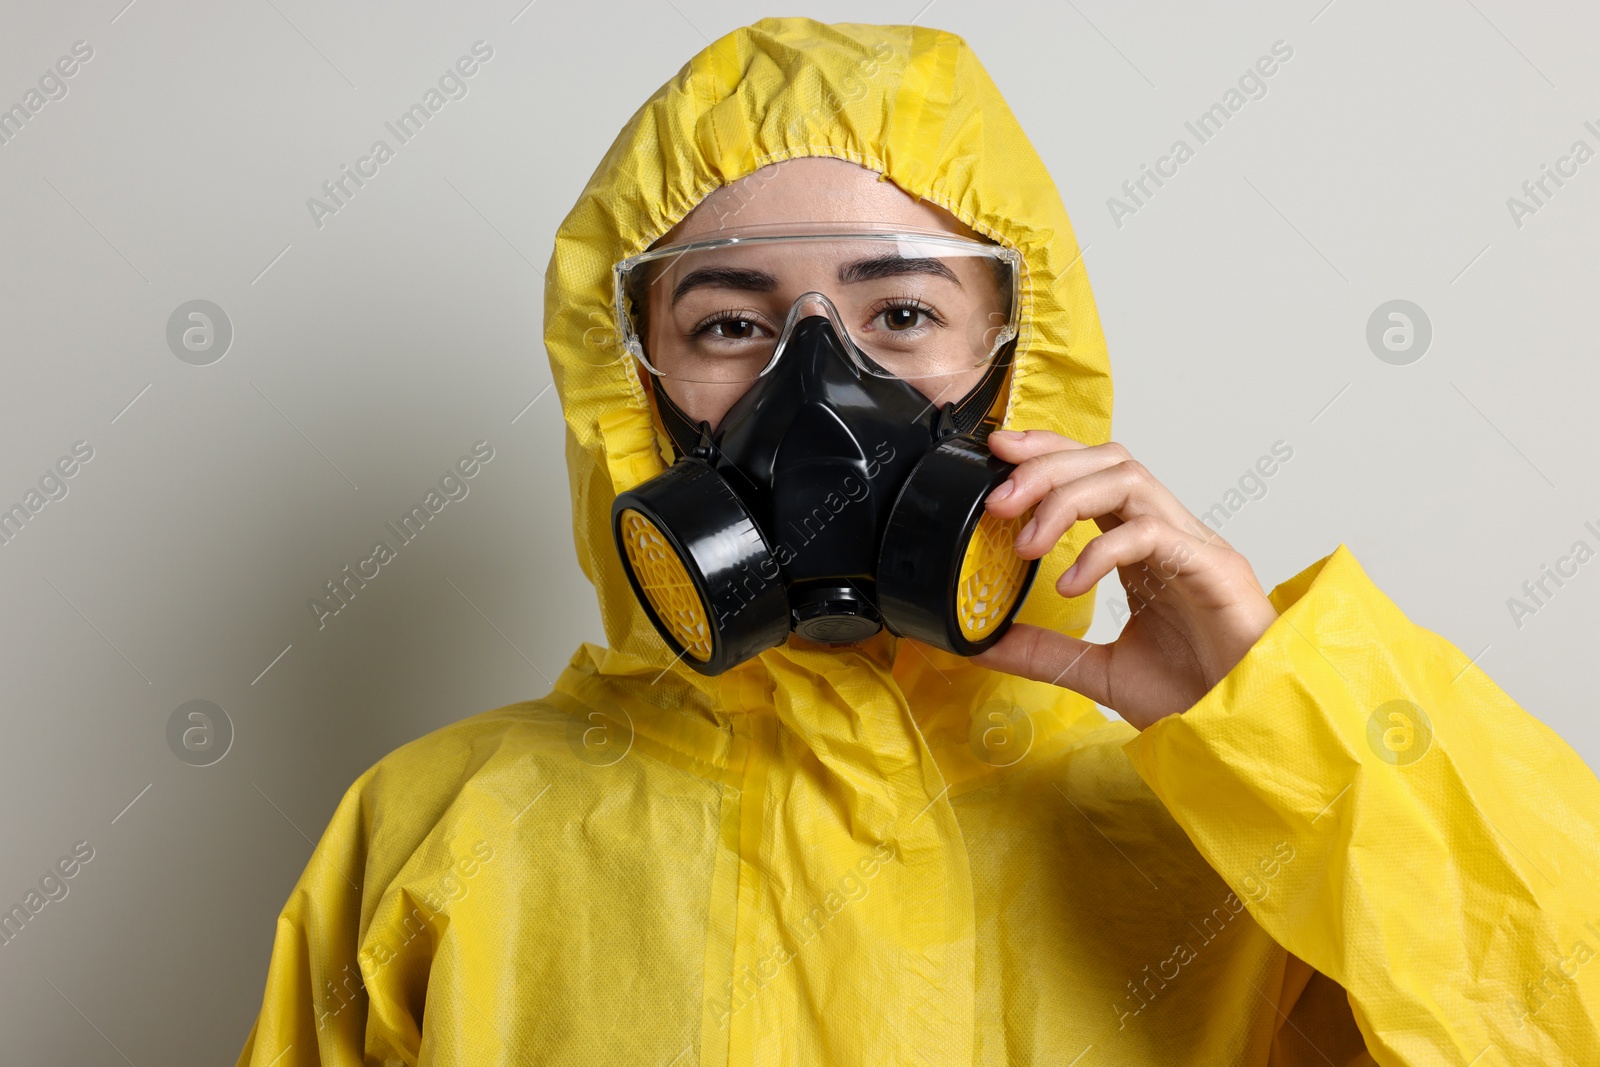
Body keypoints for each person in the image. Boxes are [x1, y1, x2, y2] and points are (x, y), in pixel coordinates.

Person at [236, 18, 1600, 1066]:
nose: (811, 385)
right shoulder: (440, 840)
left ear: (1021, 364)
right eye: (728, 322)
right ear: (631, 388)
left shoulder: (1233, 816)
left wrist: (1285, 725)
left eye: (900, 317)